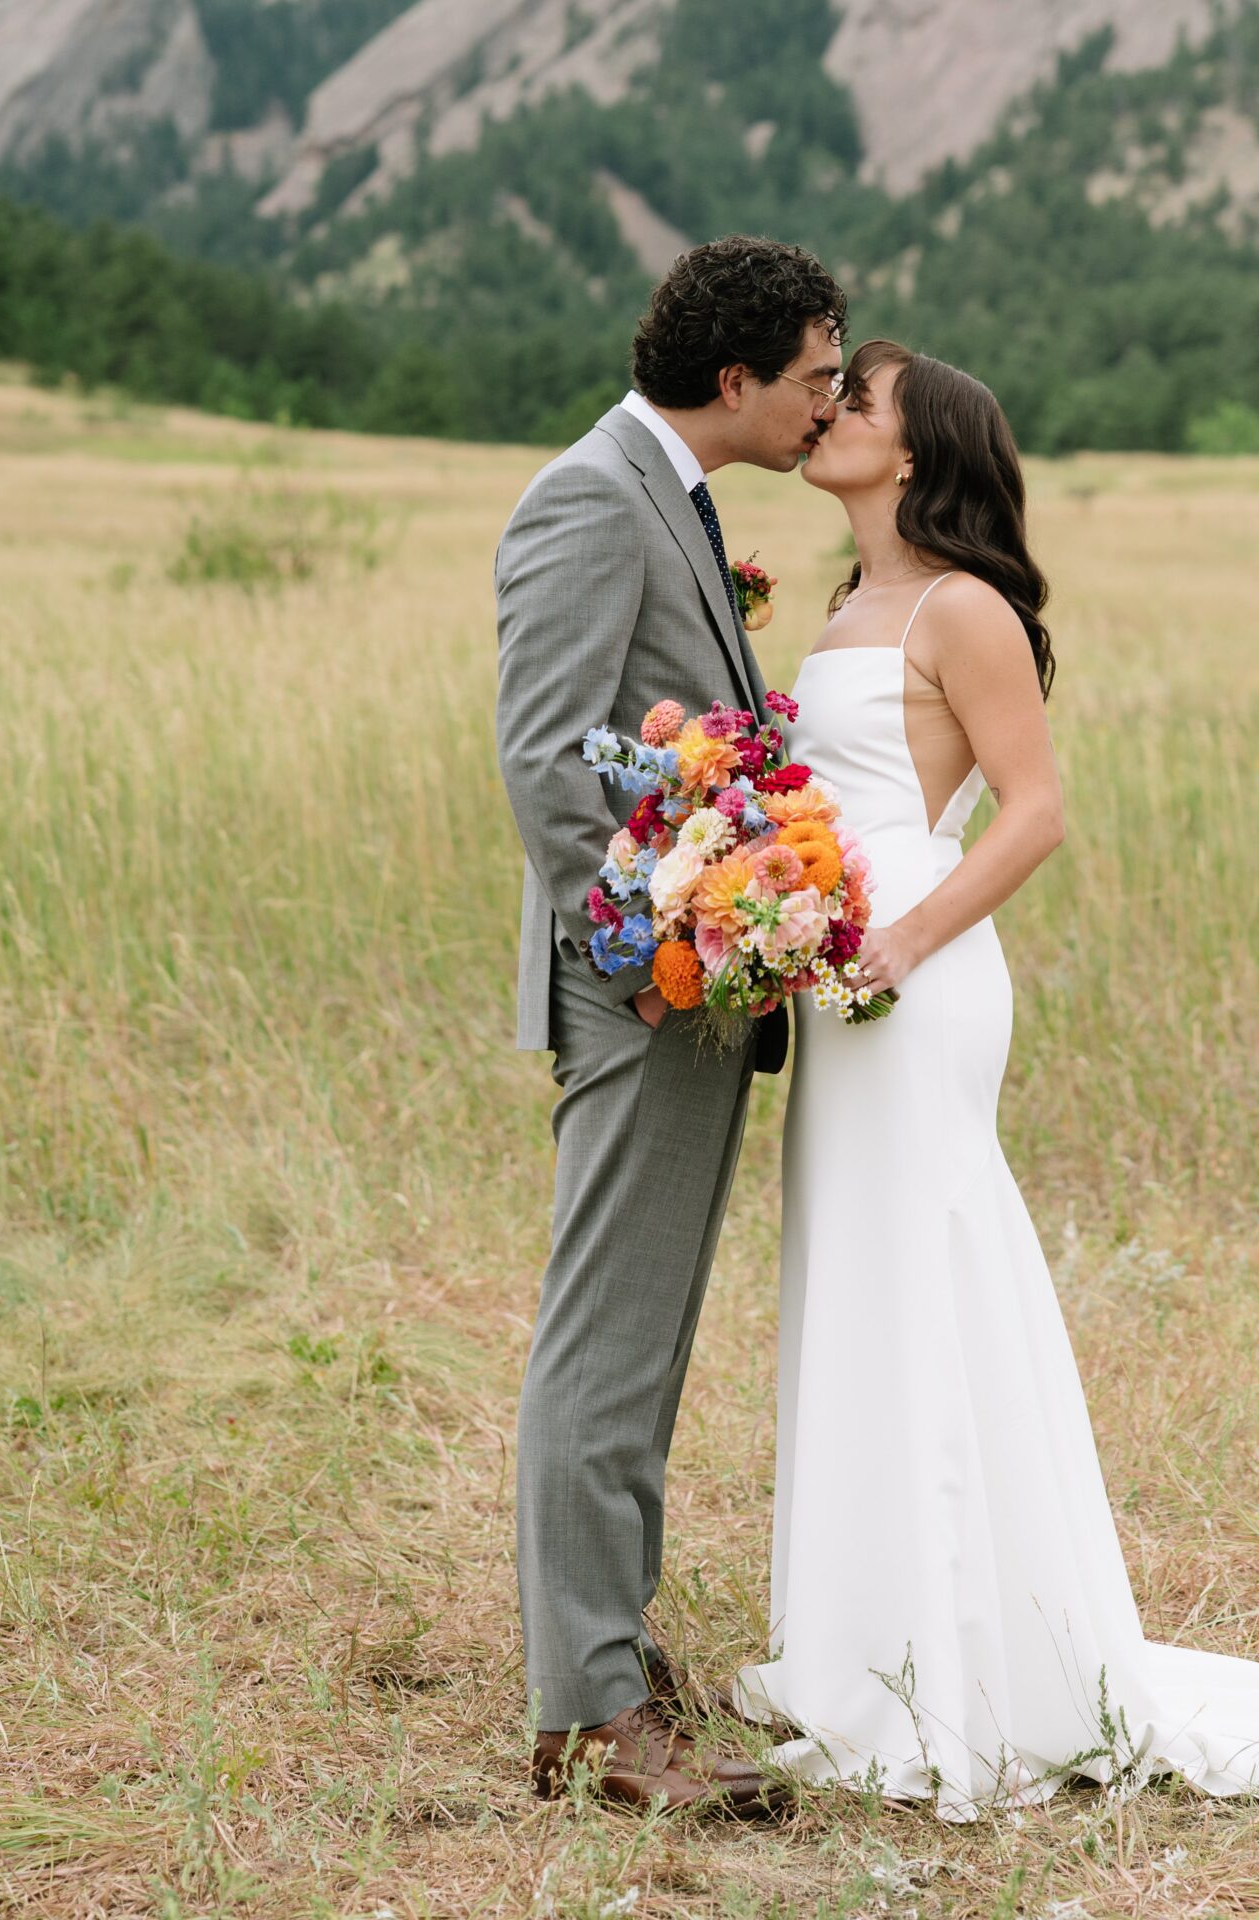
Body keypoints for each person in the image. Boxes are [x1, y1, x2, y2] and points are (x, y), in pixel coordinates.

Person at [736, 337, 1259, 1818]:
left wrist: (898, 942)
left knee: (931, 1268)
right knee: (855, 1281)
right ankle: (870, 1649)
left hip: (916, 969)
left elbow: (1033, 816)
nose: (832, 410)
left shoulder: (963, 608)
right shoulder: (852, 604)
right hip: (839, 972)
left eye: (863, 399)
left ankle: (974, 1670)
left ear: (917, 451)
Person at [495, 234, 846, 1816]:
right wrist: (641, 957)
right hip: (641, 982)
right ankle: (583, 1713)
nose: (830, 409)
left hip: (691, 978)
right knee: (608, 1335)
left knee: (653, 1332)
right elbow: (548, 752)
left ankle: (614, 1652)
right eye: (818, 379)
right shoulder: (589, 495)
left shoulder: (675, 494)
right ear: (736, 377)